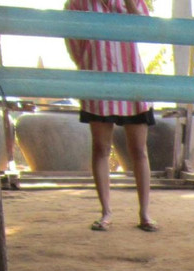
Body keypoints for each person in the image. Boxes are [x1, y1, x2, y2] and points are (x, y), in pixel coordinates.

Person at [64, 0, 157, 232]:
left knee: (139, 150)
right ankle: (106, 212)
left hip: (132, 79)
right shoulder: (78, 3)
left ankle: (145, 213)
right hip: (98, 80)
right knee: (101, 148)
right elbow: (73, 42)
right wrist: (88, 68)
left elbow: (146, 29)